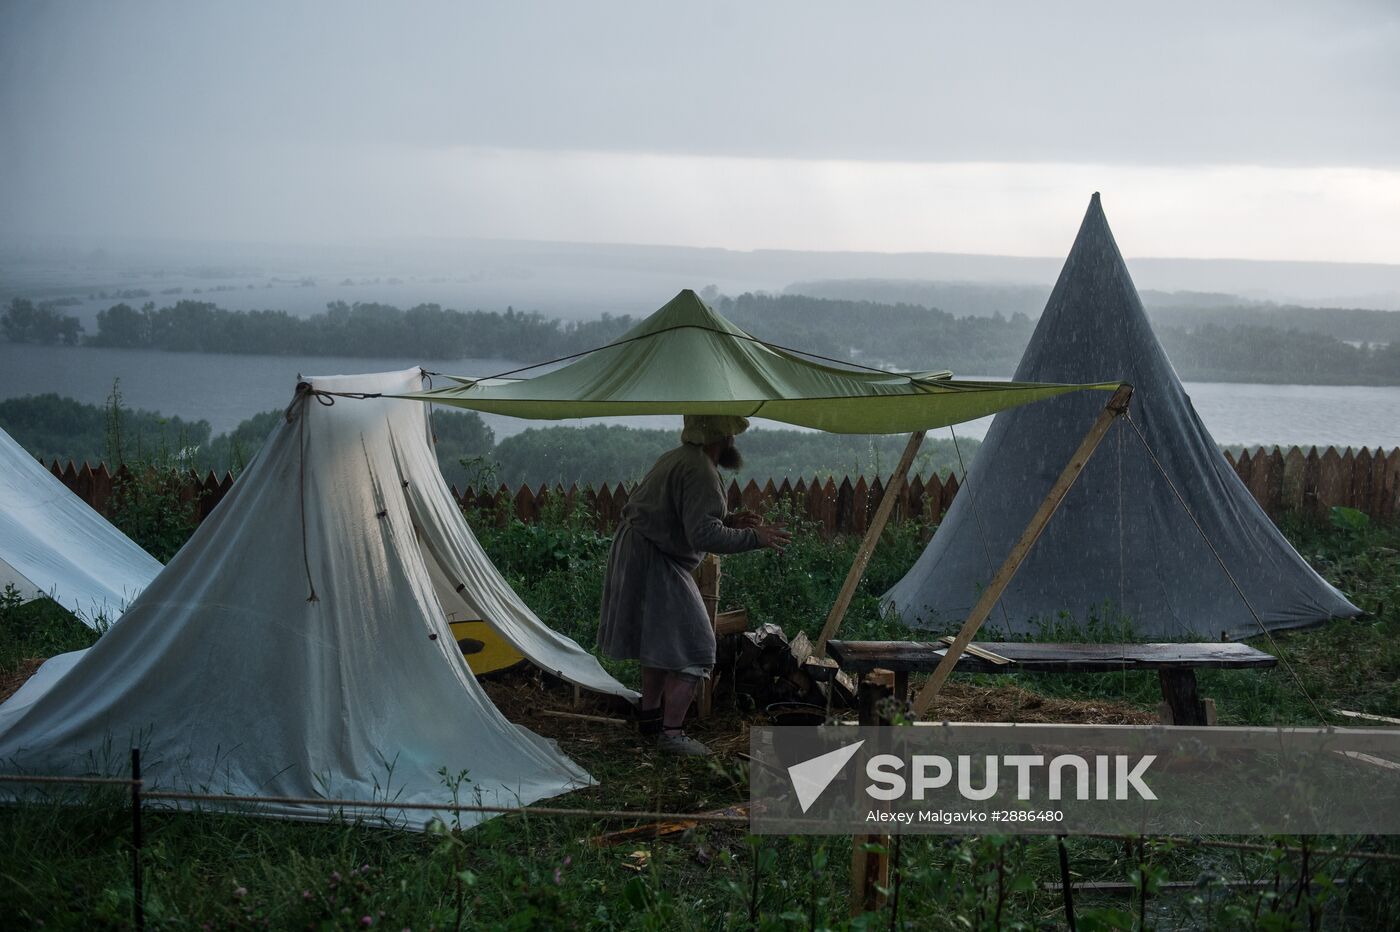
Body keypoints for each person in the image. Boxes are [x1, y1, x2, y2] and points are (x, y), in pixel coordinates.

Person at [598, 414, 791, 755]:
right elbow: (701, 534)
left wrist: (728, 521)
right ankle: (671, 735)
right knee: (696, 645)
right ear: (722, 436)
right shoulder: (700, 469)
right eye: (730, 433)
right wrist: (753, 537)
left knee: (660, 642)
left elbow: (686, 518)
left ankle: (650, 720)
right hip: (654, 558)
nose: (733, 440)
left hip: (645, 551)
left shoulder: (680, 458)